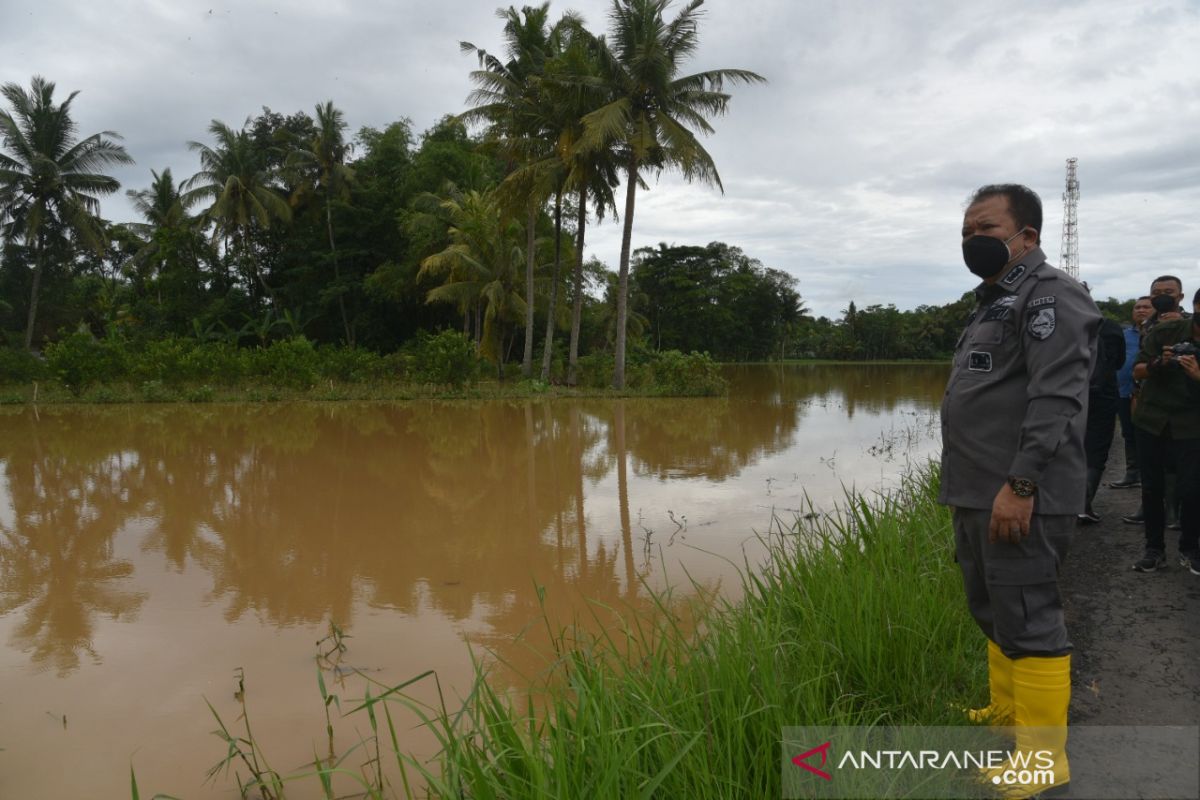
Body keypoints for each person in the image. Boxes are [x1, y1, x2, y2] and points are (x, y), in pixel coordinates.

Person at [940, 184, 1099, 796]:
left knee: (1029, 615)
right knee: (995, 605)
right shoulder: (993, 302)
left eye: (984, 228)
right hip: (978, 488)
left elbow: (1056, 397)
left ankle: (1041, 762)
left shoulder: (1052, 297)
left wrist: (1022, 483)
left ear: (1026, 236)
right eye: (964, 233)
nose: (971, 241)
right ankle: (1006, 715)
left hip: (1018, 492)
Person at [1129, 295, 1200, 575]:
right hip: (1153, 420)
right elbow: (1138, 370)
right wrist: (1159, 363)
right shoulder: (1165, 332)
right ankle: (1154, 549)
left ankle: (1190, 547)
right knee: (1152, 487)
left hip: (1192, 424)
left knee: (1192, 489)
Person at [1078, 308, 1126, 523]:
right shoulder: (1111, 327)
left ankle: (1058, 503)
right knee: (1096, 450)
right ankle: (1083, 506)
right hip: (1103, 394)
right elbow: (1118, 362)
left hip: (1068, 393)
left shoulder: (1062, 323)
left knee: (1063, 447)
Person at [1111, 297, 1154, 489]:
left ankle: (1149, 478)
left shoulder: (1160, 334)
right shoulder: (1123, 335)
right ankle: (1132, 472)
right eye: (1137, 307)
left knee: (1147, 436)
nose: (1141, 310)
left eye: (1146, 307)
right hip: (1123, 391)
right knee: (1128, 432)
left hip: (1149, 395)